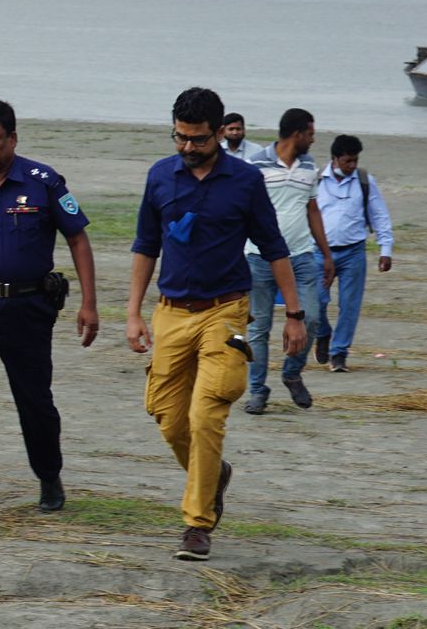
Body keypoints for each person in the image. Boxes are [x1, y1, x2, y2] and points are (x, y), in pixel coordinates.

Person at [126, 86, 305, 562]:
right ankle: (213, 474)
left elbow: (275, 249)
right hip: (170, 313)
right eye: (179, 138)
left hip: (226, 313)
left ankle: (197, 523)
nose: (187, 148)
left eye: (197, 140)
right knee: (167, 416)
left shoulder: (245, 181)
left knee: (207, 414)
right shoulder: (160, 177)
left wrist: (294, 315)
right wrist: (132, 313)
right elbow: (146, 246)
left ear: (220, 133)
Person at [0, 100, 98, 522]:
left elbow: (77, 239)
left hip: (27, 309)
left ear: (12, 139)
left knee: (34, 401)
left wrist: (88, 304)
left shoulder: (44, 182)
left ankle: (48, 475)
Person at [242, 108, 334, 415]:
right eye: (310, 133)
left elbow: (313, 211)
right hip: (258, 257)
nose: (313, 139)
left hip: (301, 256)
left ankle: (292, 372)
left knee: (310, 318)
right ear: (297, 134)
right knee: (259, 327)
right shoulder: (255, 165)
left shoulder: (310, 166)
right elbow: (242, 212)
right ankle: (257, 390)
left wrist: (327, 253)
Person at [314, 135, 394, 373]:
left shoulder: (364, 181)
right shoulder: (316, 181)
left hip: (353, 253)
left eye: (355, 160)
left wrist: (385, 249)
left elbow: (379, 215)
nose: (352, 165)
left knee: (350, 306)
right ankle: (322, 332)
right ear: (335, 159)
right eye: (348, 161)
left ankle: (339, 354)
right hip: (319, 252)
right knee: (315, 302)